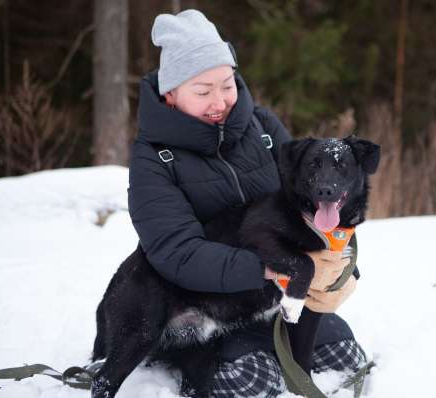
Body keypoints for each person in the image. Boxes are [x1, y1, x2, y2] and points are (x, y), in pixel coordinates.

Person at [128, 9, 367, 397]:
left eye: (227, 84)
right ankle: (191, 365)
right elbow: (176, 253)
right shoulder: (152, 158)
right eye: (203, 91)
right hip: (203, 308)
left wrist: (338, 270)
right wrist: (272, 269)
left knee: (346, 356)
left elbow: (309, 205)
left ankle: (267, 346)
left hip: (277, 300)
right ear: (170, 95)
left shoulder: (264, 128)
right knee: (256, 380)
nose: (219, 101)